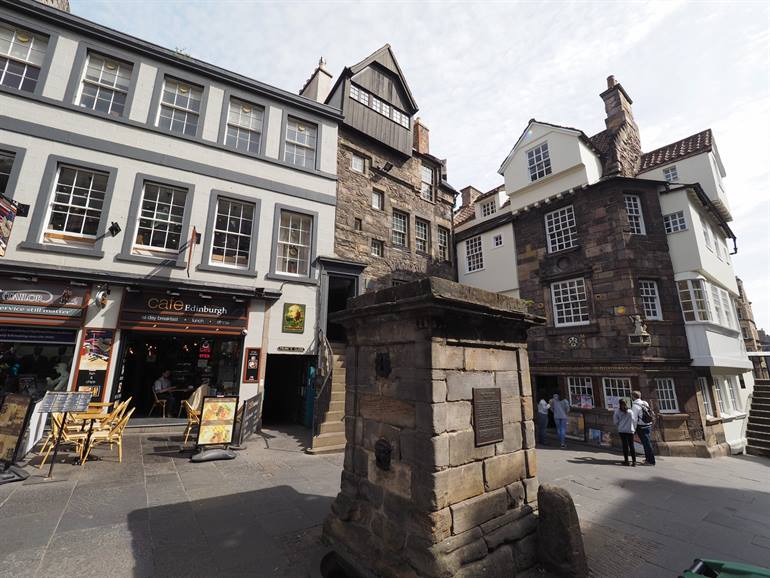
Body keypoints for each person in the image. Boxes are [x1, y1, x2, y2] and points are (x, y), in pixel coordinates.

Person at [631, 390, 656, 465]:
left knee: (646, 444)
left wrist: (633, 429)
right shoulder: (645, 403)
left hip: (641, 427)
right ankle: (648, 459)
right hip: (648, 424)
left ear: (633, 397)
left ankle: (651, 461)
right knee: (646, 443)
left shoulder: (635, 406)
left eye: (632, 396)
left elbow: (634, 419)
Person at [613, 399, 637, 466]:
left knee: (625, 446)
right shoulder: (630, 411)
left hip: (622, 430)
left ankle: (626, 461)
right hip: (630, 430)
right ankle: (634, 461)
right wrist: (633, 428)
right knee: (631, 446)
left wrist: (621, 424)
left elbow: (615, 422)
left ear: (619, 404)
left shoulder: (617, 412)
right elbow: (634, 420)